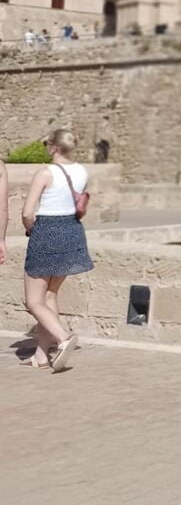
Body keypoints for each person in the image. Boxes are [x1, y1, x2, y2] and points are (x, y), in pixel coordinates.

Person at [19, 128, 94, 371]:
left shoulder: (45, 173)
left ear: (54, 147)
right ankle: (41, 356)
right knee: (49, 295)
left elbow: (27, 213)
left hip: (47, 232)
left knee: (33, 301)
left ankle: (63, 337)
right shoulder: (82, 171)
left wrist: (31, 230)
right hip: (71, 232)